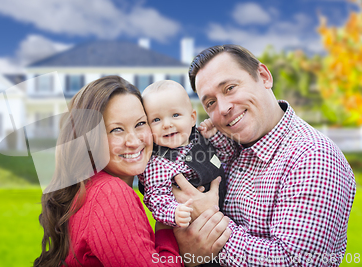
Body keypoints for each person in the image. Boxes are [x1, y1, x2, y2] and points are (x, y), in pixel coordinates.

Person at [174, 44, 356, 266]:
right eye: (210, 102)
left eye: (230, 88)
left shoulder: (312, 156)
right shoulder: (228, 148)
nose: (222, 108)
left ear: (264, 76)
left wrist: (208, 226)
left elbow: (297, 262)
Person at [34, 76, 231, 267]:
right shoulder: (110, 194)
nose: (134, 141)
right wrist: (182, 251)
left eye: (139, 124)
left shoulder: (89, 187)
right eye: (116, 130)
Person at [138, 80, 226, 228]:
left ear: (192, 118)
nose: (167, 124)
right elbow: (156, 198)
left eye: (175, 115)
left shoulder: (199, 138)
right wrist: (174, 212)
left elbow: (225, 156)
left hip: (226, 211)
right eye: (156, 119)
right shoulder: (158, 163)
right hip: (193, 225)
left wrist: (214, 135)